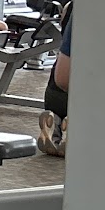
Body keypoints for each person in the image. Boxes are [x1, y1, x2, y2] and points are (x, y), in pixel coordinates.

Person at [38, 15, 72, 157]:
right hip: (84, 100)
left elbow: (62, 79)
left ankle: (56, 127)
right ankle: (71, 129)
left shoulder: (74, 9)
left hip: (54, 94)